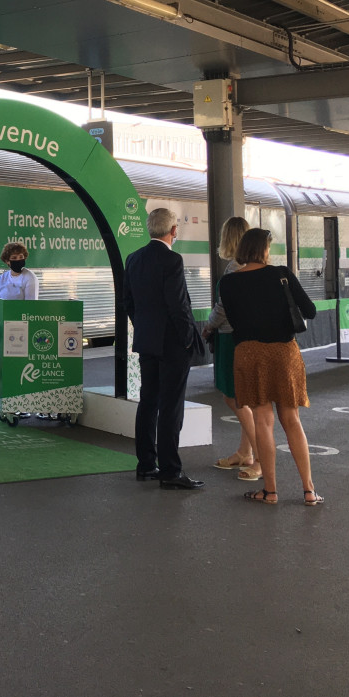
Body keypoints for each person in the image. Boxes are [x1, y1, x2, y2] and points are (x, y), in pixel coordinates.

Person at [217, 227, 323, 507]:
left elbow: (234, 319)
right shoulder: (281, 274)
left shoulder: (227, 283)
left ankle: (271, 491)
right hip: (283, 353)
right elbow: (309, 311)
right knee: (292, 420)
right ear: (263, 250)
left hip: (248, 353)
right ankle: (309, 490)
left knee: (263, 421)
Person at [124, 207, 206, 490]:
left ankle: (146, 464)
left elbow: (129, 303)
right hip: (172, 344)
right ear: (173, 231)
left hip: (146, 341)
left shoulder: (133, 259)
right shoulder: (172, 260)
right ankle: (171, 471)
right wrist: (186, 339)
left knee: (149, 402)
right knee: (171, 407)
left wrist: (145, 327)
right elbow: (179, 305)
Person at [200, 216, 260, 482]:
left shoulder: (233, 269)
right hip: (248, 337)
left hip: (230, 339)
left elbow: (222, 308)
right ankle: (244, 453)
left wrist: (208, 327)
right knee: (244, 397)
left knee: (233, 397)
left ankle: (259, 458)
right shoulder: (253, 267)